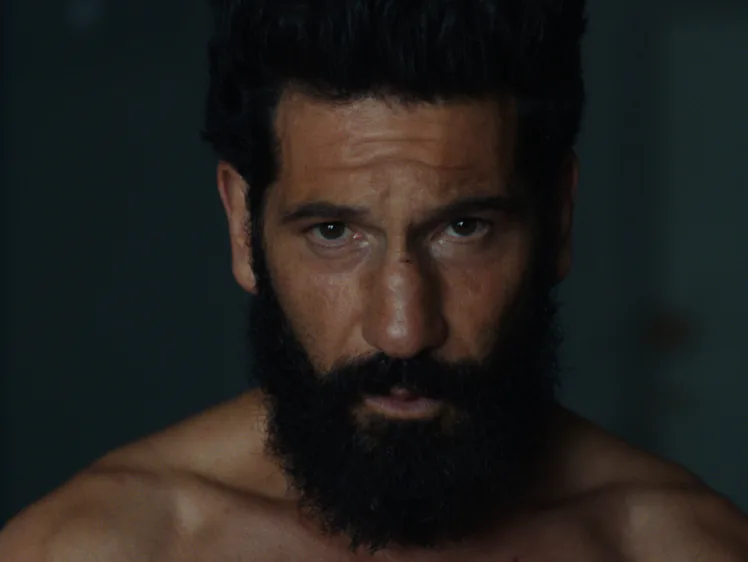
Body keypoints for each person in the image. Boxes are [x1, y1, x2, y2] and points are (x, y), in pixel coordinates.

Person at [2, 0, 748, 560]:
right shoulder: (95, 549)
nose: (402, 329)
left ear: (557, 218)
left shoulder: (681, 548)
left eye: (464, 228)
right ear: (242, 228)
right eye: (334, 233)